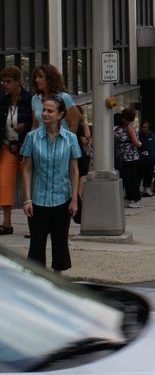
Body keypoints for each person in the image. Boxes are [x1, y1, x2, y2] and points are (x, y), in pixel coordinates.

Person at [20, 94, 81, 273]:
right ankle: (37, 282)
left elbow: (74, 170)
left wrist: (74, 199)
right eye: (43, 110)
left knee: (60, 241)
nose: (44, 114)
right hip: (38, 199)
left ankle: (58, 280)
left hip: (62, 197)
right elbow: (27, 169)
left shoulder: (70, 138)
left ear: (60, 114)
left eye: (49, 111)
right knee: (37, 243)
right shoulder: (32, 137)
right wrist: (27, 199)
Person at [0, 67, 33, 236]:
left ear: (18, 82)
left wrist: (25, 126)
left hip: (25, 145)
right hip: (7, 145)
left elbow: (34, 121)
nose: (4, 85)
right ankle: (6, 223)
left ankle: (34, 224)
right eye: (3, 81)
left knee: (30, 183)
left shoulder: (29, 99)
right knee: (4, 182)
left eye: (8, 81)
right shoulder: (3, 102)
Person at [30, 64, 81, 133]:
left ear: (50, 79)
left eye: (40, 77)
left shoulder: (64, 97)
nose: (37, 80)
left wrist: (67, 142)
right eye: (36, 77)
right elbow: (35, 125)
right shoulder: (35, 98)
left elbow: (73, 124)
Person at [115, 108, 143, 208]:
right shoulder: (125, 127)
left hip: (130, 157)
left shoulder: (129, 127)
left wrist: (139, 144)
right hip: (126, 157)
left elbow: (135, 142)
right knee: (128, 178)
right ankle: (130, 197)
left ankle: (135, 198)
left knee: (131, 179)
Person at [138, 121, 155, 196]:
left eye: (146, 127)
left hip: (151, 158)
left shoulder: (151, 134)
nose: (144, 128)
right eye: (143, 127)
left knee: (149, 174)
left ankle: (146, 189)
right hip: (142, 158)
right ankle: (138, 189)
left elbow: (153, 145)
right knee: (140, 174)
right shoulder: (138, 135)